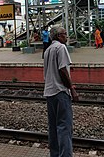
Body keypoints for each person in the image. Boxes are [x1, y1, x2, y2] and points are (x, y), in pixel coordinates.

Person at [43, 26, 78, 157]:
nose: (66, 36)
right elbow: (62, 70)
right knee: (64, 128)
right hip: (60, 91)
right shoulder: (61, 48)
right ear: (58, 36)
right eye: (64, 34)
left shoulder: (48, 50)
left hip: (49, 92)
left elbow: (53, 68)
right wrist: (72, 89)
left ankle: (55, 154)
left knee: (53, 128)